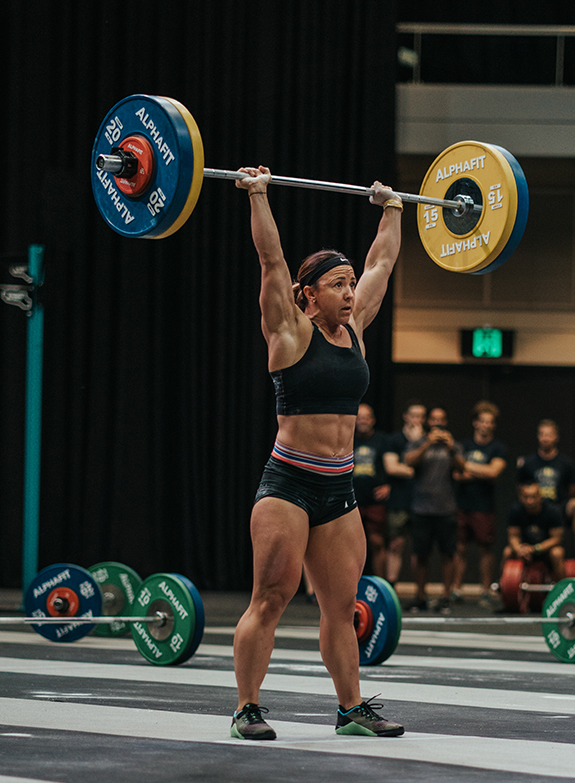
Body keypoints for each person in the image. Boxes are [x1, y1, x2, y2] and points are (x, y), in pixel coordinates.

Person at [230, 165, 404, 741]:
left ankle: (351, 710)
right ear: (309, 297)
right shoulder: (288, 332)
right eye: (338, 285)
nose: (351, 291)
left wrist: (394, 209)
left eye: (350, 283)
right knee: (272, 597)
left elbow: (381, 262)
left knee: (341, 605)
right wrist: (258, 196)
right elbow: (272, 263)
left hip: (340, 488)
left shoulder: (355, 329)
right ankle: (247, 708)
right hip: (288, 486)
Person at [404, 407, 465, 615]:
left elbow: (462, 468)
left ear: (446, 422)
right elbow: (409, 461)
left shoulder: (453, 445)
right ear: (429, 421)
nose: (438, 423)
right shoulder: (418, 442)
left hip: (445, 508)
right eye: (434, 419)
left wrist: (451, 449)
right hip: (421, 507)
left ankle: (445, 597)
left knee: (448, 554)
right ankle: (420, 596)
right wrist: (428, 443)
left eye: (441, 419)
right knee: (420, 554)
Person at [452, 401, 507, 608]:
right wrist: (481, 471)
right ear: (475, 423)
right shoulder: (464, 445)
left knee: (485, 549)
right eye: (483, 421)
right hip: (462, 504)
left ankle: (485, 590)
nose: (486, 425)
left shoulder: (498, 448)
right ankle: (457, 589)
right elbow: (457, 474)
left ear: (493, 425)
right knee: (460, 548)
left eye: (490, 422)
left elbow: (494, 472)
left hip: (484, 506)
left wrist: (469, 469)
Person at [517, 419, 575, 558]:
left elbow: (572, 490)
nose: (545, 438)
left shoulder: (566, 463)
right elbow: (520, 489)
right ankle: (523, 547)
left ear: (556, 437)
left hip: (558, 507)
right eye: (542, 434)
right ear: (538, 437)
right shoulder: (528, 463)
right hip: (535, 509)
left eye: (549, 435)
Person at [382, 400, 426, 587]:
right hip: (399, 500)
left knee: (420, 549)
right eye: (413, 415)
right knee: (395, 544)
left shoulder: (428, 441)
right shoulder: (394, 440)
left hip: (423, 501)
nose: (417, 420)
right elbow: (391, 468)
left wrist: (417, 444)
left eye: (421, 416)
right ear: (406, 416)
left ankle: (420, 592)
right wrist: (415, 469)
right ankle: (391, 586)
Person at [353, 403, 390, 577]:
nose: (362, 421)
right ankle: (350, 587)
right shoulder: (347, 439)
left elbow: (392, 465)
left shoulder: (382, 440)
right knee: (350, 545)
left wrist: (389, 485)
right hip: (352, 501)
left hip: (375, 501)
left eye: (366, 417)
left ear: (373, 420)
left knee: (377, 542)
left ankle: (380, 585)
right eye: (359, 417)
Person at [502, 482, 566, 582]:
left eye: (533, 497)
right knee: (507, 552)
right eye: (526, 497)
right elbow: (513, 536)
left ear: (540, 496)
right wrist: (519, 549)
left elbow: (556, 539)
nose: (530, 501)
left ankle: (562, 587)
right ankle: (504, 584)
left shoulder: (553, 511)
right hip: (524, 549)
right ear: (520, 497)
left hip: (544, 550)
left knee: (557, 553)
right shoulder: (515, 511)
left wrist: (535, 549)